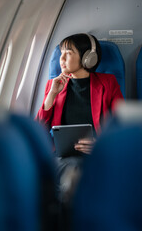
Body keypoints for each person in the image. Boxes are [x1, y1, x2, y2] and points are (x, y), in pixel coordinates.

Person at [36, 33, 124, 201]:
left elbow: (121, 124)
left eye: (68, 53)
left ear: (87, 58)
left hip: (98, 154)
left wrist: (101, 144)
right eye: (61, 52)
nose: (61, 58)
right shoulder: (53, 85)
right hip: (63, 158)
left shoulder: (108, 83)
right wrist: (52, 95)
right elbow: (39, 128)